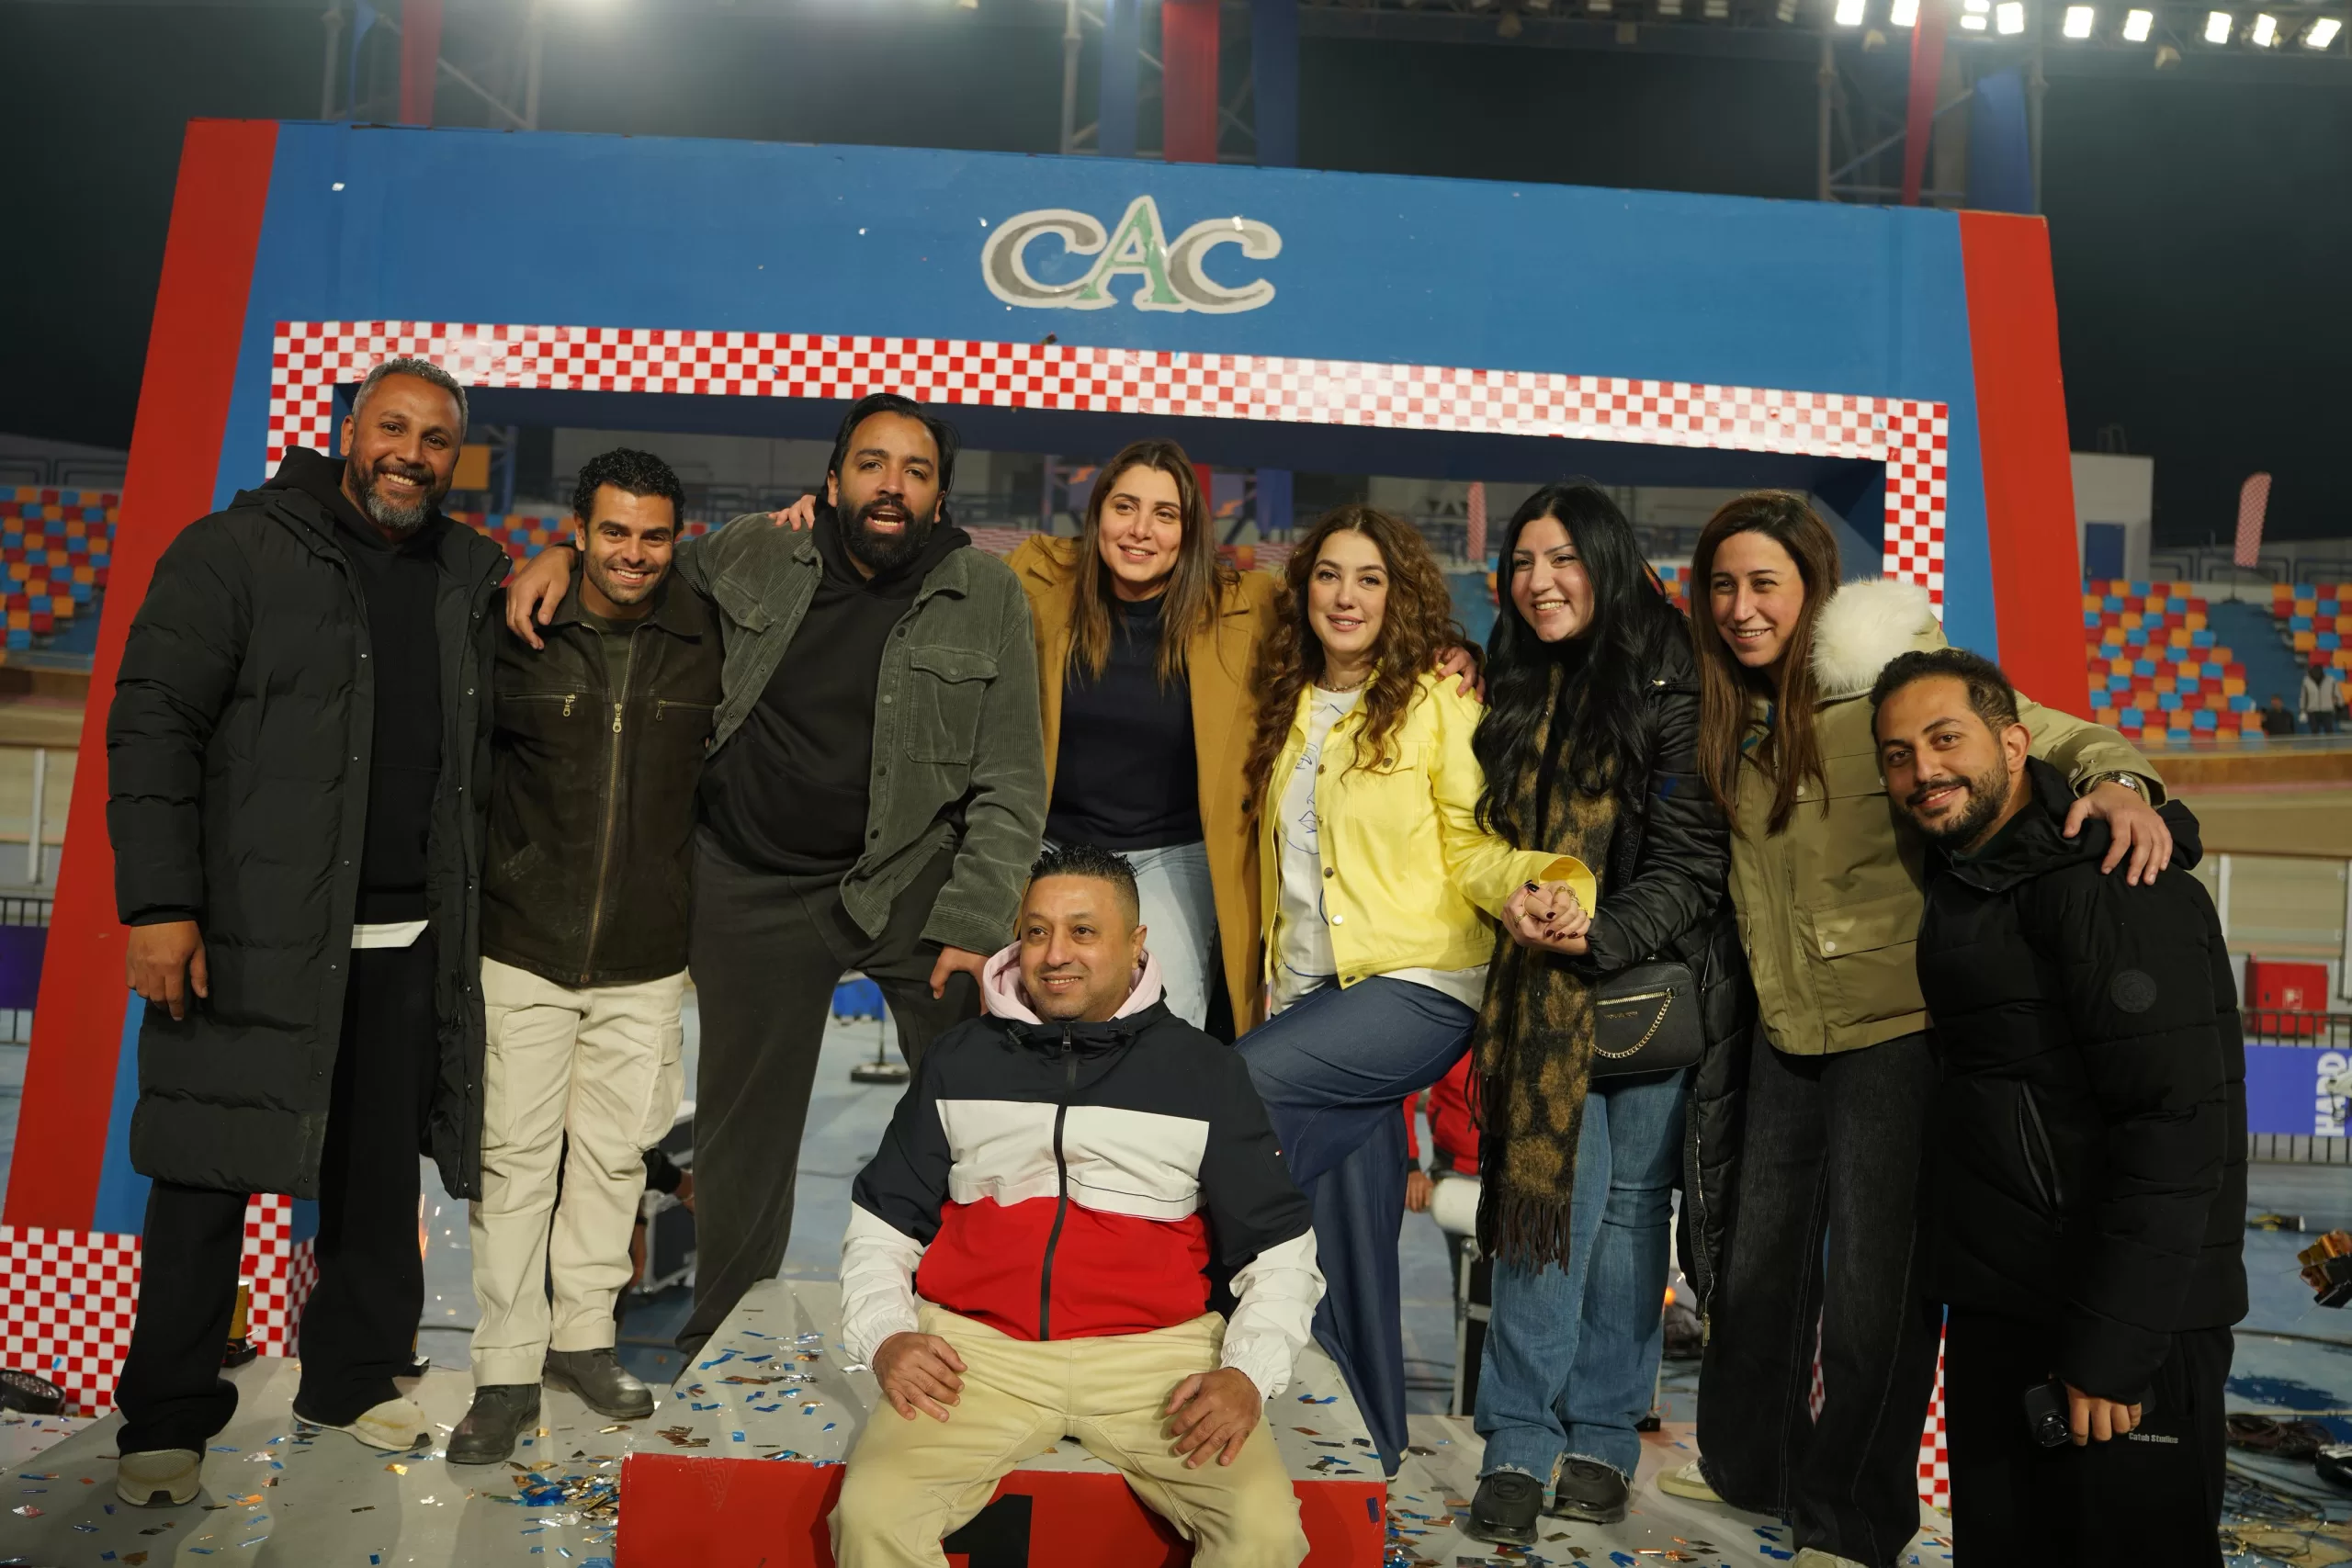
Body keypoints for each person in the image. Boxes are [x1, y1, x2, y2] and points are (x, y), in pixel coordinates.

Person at [1668, 492, 2175, 1568]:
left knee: (1873, 1296)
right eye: (1721, 585)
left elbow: (2040, 729)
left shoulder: (1885, 670)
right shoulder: (1726, 711)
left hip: (1896, 1029)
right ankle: (1754, 1469)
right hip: (1785, 1029)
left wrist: (2123, 782)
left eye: (1764, 584)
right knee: (1754, 1275)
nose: (1741, 607)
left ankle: (1852, 1524)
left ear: (1813, 589)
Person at [503, 392, 1046, 1354]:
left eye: (916, 471)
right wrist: (557, 554)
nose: (892, 486)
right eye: (872, 464)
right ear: (832, 482)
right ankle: (724, 1345)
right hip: (750, 879)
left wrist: (974, 921)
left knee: (981, 1102)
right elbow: (636, 572)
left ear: (940, 496)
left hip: (905, 874)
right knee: (742, 1138)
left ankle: (986, 1325)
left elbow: (1010, 780)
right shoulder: (757, 550)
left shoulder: (987, 594)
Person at [105, 358, 507, 1505]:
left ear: (454, 458)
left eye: (435, 439)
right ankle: (166, 1419)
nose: (411, 454)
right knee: (206, 1175)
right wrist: (159, 905)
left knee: (375, 1184)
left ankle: (351, 1376)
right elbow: (153, 726)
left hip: (404, 940)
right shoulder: (233, 551)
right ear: (347, 430)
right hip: (251, 940)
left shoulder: (467, 573)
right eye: (393, 427)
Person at [769, 441, 1479, 1036]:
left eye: (1165, 514)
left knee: (1159, 1029)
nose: (1142, 530)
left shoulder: (1245, 606)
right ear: (1098, 514)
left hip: (1172, 855)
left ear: (1189, 531)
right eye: (1125, 507)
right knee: (1025, 1022)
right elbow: (925, 555)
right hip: (1046, 845)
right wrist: (828, 523)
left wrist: (1453, 648)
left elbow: (1347, 608)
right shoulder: (1039, 578)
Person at [832, 843, 1324, 1568]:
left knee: (1265, 1532)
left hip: (1158, 1363)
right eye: (1037, 931)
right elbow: (882, 1225)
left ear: (1136, 943)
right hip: (977, 1358)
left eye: (1083, 931)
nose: (1055, 953)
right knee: (872, 1515)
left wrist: (1247, 1373)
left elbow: (1280, 1250)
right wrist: (885, 1335)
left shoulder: (1205, 1072)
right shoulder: (959, 1060)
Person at [1233, 505, 1594, 1473]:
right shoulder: (1284, 703)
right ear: (1303, 589)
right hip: (1309, 994)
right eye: (1329, 575)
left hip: (1419, 983)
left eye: (1370, 579)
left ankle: (1204, 1334)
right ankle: (1371, 1453)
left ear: (1401, 597)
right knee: (1351, 1234)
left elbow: (1471, 842)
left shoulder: (1436, 699)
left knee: (1232, 1097)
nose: (1347, 597)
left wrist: (1533, 884)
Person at [1871, 648, 2245, 1565]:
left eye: (1945, 739)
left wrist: (2112, 1349)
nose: (1923, 770)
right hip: (2010, 1311)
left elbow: (2175, 1127)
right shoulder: (1971, 882)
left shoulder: (2110, 876)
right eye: (1898, 754)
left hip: (2116, 1332)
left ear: (2014, 743)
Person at [1454, 486, 1748, 1543]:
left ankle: (1603, 1440)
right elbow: (1478, 826)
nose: (1540, 582)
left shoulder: (1675, 672)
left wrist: (1601, 930)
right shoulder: (1507, 672)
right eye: (1523, 562)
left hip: (1645, 985)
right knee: (1548, 1211)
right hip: (1540, 992)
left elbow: (1692, 860)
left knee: (1628, 1222)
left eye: (1563, 559)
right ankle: (1518, 1441)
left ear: (1608, 562)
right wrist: (1526, 903)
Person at [451, 448, 723, 1462]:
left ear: (676, 540)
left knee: (612, 1162)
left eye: (653, 535)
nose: (633, 553)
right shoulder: (516, 628)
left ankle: (583, 1340)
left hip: (646, 958)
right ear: (577, 531)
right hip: (522, 943)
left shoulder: (707, 637)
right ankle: (505, 1368)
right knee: (514, 1165)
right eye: (612, 532)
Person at [2300, 658, 2342, 736]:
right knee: (2314, 732)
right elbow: (2303, 697)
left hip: (2327, 709)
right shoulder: (2306, 681)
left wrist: (2339, 704)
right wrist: (2302, 710)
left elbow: (2337, 694)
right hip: (2312, 710)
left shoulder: (2331, 680)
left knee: (2329, 731)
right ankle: (2315, 744)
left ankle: (2330, 744)